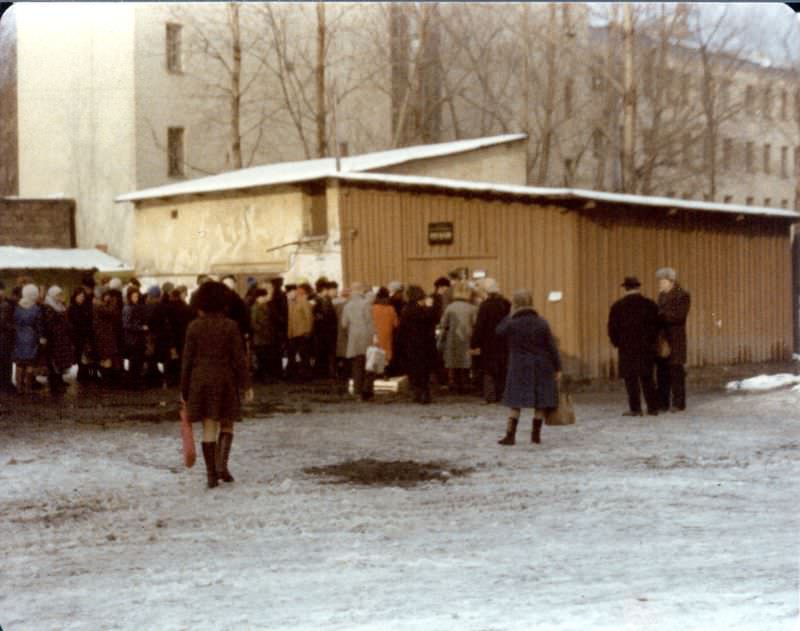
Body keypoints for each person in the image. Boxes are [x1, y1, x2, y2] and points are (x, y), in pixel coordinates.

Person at [181, 281, 253, 489]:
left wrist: (184, 390)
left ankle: (211, 475)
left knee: (209, 427)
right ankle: (222, 466)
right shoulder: (231, 325)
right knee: (227, 423)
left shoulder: (193, 326)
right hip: (225, 379)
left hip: (200, 380)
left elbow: (187, 361)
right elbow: (239, 359)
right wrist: (246, 385)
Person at [496, 289, 562, 446]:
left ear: (515, 303)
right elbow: (551, 347)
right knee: (540, 402)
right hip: (542, 365)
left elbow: (498, 332)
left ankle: (510, 436)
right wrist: (558, 367)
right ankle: (535, 436)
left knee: (515, 402)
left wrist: (509, 315)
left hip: (519, 366)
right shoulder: (542, 322)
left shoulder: (512, 323)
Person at [607, 276, 661, 417]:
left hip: (627, 348)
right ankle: (652, 408)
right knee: (648, 378)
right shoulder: (650, 304)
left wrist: (618, 343)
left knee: (631, 380)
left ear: (625, 288)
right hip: (646, 348)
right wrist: (652, 342)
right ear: (638, 287)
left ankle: (635, 409)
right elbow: (657, 326)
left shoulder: (617, 306)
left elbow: (612, 329)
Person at [655, 267, 691, 412]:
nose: (660, 284)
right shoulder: (661, 295)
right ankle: (663, 403)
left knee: (676, 371)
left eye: (662, 281)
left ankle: (678, 403)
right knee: (662, 371)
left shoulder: (682, 295)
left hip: (675, 339)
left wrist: (661, 316)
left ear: (671, 281)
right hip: (663, 339)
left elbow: (680, 316)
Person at [470, 279, 511, 404]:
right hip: (504, 341)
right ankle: (502, 394)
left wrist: (474, 343)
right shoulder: (506, 304)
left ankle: (490, 396)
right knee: (502, 368)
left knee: (488, 370)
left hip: (488, 342)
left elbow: (479, 326)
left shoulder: (485, 306)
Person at [398, 285, 438, 403]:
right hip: (425, 343)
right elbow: (432, 320)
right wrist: (430, 307)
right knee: (424, 370)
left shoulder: (406, 309)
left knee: (414, 370)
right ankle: (425, 394)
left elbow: (403, 329)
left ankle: (416, 393)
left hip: (410, 343)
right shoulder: (423, 310)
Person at [439, 281, 478, 394]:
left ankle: (455, 384)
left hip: (453, 338)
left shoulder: (450, 307)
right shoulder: (472, 308)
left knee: (454, 363)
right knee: (466, 363)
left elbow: (444, 323)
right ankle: (465, 384)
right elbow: (476, 324)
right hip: (467, 337)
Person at [341, 281, 376, 401]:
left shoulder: (347, 305)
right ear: (362, 290)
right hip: (366, 337)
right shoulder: (366, 304)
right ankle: (368, 390)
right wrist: (375, 337)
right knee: (369, 364)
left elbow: (344, 324)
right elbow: (370, 322)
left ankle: (357, 393)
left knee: (356, 366)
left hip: (353, 339)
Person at [41, 286, 75, 393]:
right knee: (54, 361)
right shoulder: (48, 307)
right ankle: (54, 384)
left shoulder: (59, 305)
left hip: (61, 338)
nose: (60, 297)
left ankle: (59, 380)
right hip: (54, 339)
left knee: (60, 361)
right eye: (58, 295)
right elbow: (50, 324)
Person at [13, 284, 45, 395]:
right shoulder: (36, 308)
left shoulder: (18, 307)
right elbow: (39, 325)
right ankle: (28, 388)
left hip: (19, 336)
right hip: (31, 336)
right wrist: (41, 337)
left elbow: (15, 321)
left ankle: (18, 387)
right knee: (30, 363)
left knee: (19, 363)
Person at [122, 286, 149, 389]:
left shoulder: (133, 307)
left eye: (137, 296)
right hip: (133, 340)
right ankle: (134, 383)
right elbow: (126, 324)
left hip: (135, 339)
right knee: (135, 362)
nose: (136, 298)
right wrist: (141, 328)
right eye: (134, 296)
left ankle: (134, 382)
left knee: (136, 362)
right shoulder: (129, 308)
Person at [286, 283, 313, 381]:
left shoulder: (303, 301)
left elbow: (309, 317)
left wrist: (308, 330)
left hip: (302, 332)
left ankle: (306, 374)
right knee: (292, 355)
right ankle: (293, 374)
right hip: (293, 334)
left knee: (304, 355)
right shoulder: (290, 303)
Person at [67, 287, 94, 384]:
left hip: (85, 334)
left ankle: (84, 373)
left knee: (85, 355)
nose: (81, 298)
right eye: (79, 296)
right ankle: (82, 374)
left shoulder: (85, 307)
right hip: (77, 335)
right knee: (80, 355)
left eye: (83, 296)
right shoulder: (72, 308)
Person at [371, 287, 399, 377]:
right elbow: (396, 323)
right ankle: (385, 373)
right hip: (387, 335)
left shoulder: (372, 308)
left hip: (375, 335)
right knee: (386, 353)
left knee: (375, 352)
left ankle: (375, 373)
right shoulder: (391, 309)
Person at [0, 281, 16, 394]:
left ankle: (6, 384)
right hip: (4, 338)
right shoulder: (5, 305)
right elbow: (4, 322)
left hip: (4, 338)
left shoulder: (6, 303)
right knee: (5, 362)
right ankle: (6, 385)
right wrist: (14, 328)